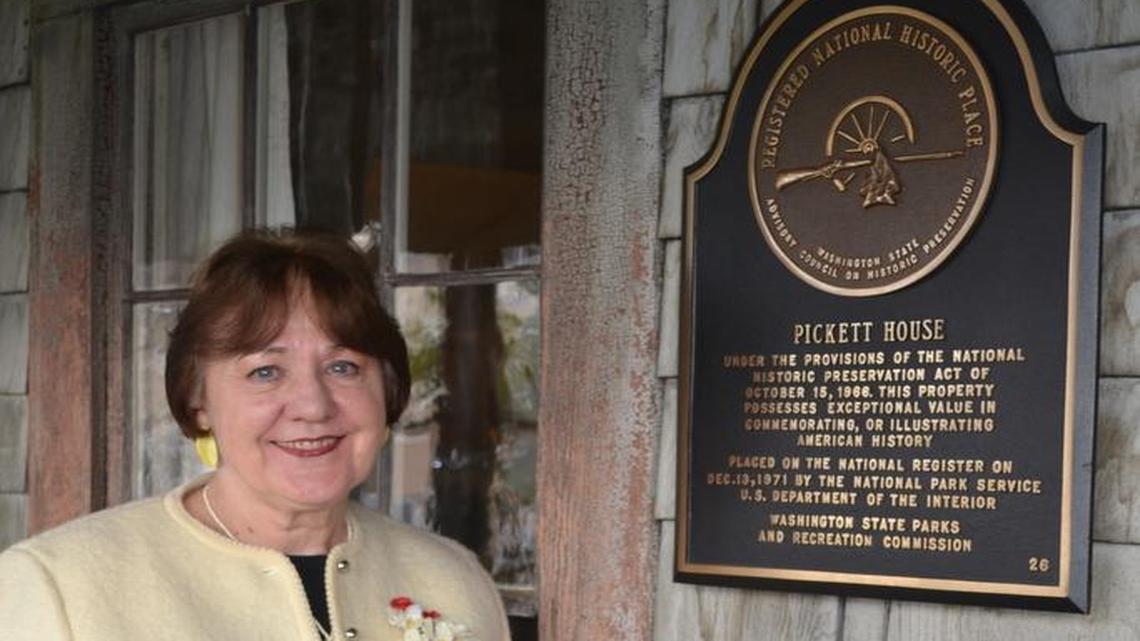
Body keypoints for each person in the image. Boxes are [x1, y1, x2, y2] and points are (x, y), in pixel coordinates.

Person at [0, 229, 509, 641]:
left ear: (388, 389)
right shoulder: (59, 587)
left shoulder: (456, 581)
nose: (313, 406)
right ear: (198, 399)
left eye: (343, 367)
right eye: (265, 371)